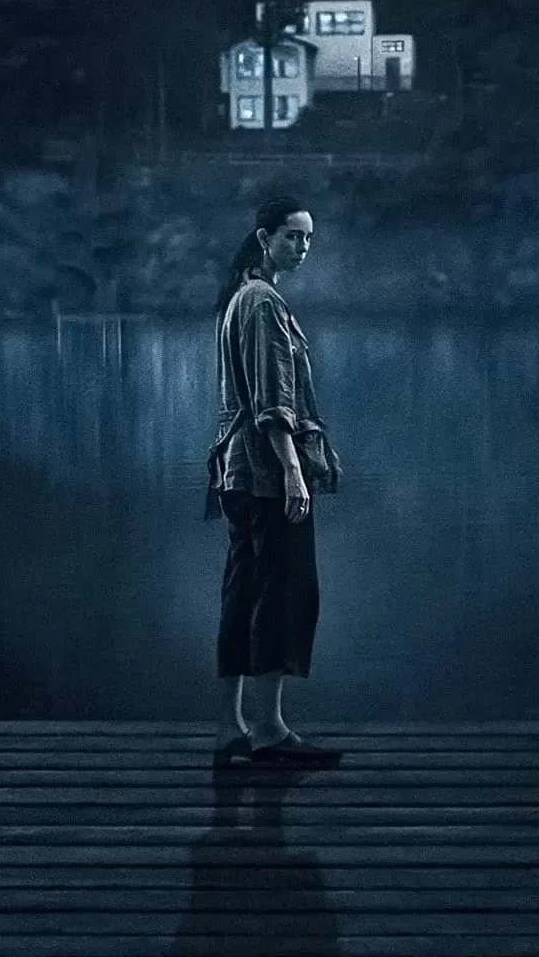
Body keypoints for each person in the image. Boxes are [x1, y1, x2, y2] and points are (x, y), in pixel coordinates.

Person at [204, 195, 343, 767]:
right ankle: (269, 730)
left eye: (308, 238)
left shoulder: (244, 295)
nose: (302, 247)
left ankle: (231, 727)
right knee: (280, 597)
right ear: (265, 238)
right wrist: (293, 473)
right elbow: (271, 401)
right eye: (292, 236)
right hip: (263, 474)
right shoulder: (261, 301)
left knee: (243, 593)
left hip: (239, 473)